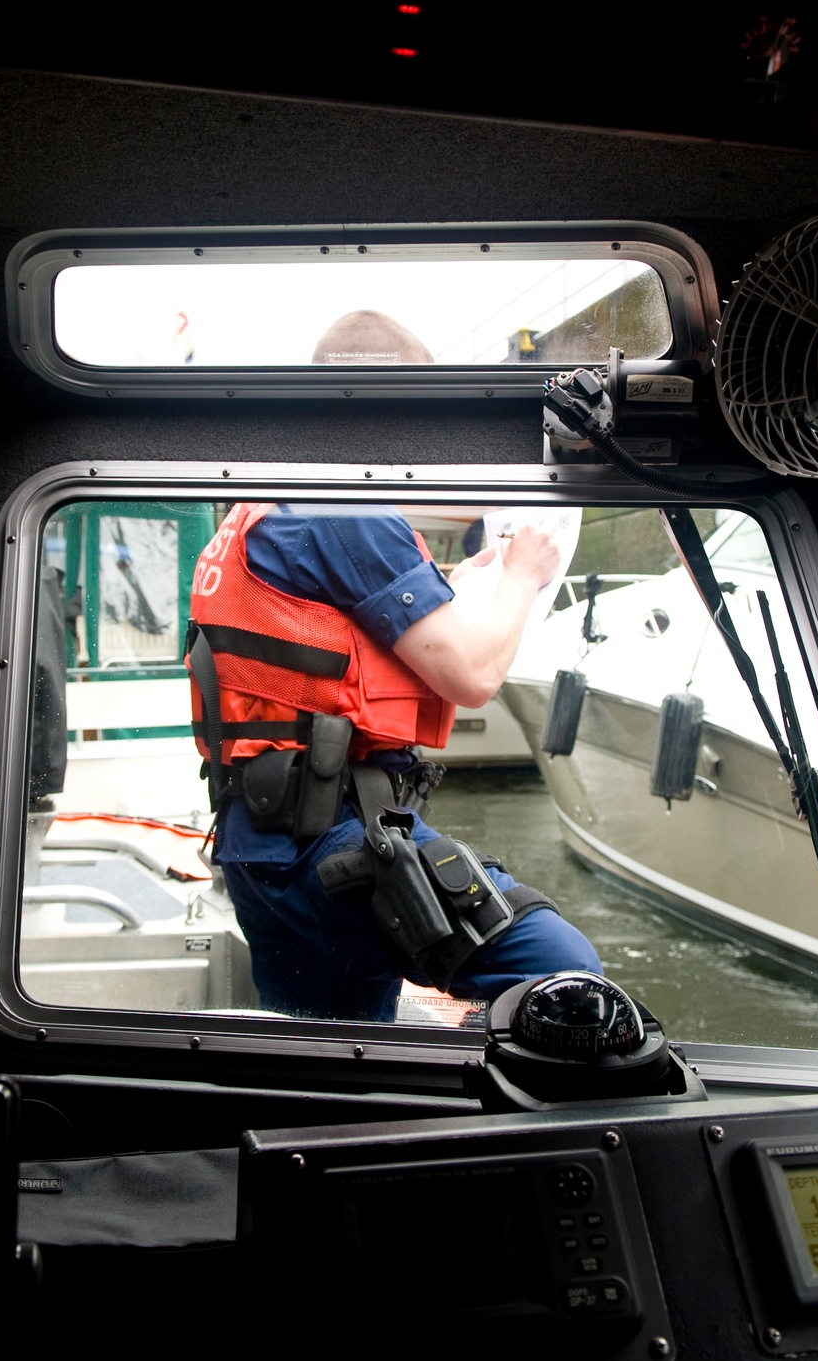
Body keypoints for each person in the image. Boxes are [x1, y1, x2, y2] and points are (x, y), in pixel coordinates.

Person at [186, 315, 601, 1022]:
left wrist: (458, 578)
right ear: (392, 405)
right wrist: (524, 576)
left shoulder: (264, 503)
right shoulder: (348, 508)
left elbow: (327, 628)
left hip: (257, 847)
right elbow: (471, 676)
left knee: (336, 1049)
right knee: (564, 970)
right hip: (335, 847)